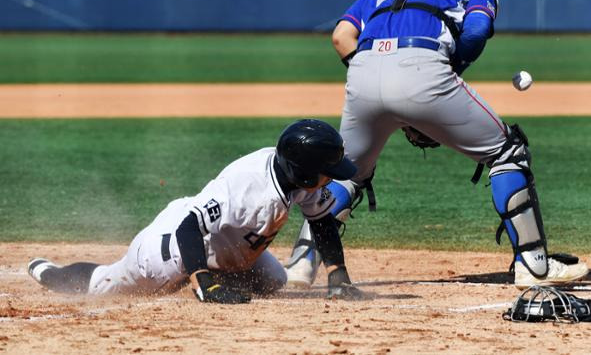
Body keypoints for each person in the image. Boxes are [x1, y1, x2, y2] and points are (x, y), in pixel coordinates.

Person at [285, 0, 589, 290]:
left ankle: (300, 266)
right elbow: (476, 29)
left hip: (362, 69)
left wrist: (376, 78)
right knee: (508, 151)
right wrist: (439, 76)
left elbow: (341, 36)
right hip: (423, 65)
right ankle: (534, 266)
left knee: (348, 173)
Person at [28, 119, 363, 303]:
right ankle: (50, 273)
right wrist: (205, 285)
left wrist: (338, 274)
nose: (332, 178)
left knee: (273, 280)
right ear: (303, 171)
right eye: (328, 171)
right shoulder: (245, 186)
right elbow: (189, 227)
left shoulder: (299, 180)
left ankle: (210, 272)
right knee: (107, 284)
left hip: (226, 246)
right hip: (171, 246)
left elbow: (321, 223)